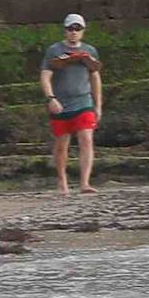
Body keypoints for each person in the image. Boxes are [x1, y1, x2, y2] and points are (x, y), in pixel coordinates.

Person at [39, 13, 103, 195]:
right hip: (61, 103)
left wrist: (98, 105)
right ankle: (63, 183)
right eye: (70, 29)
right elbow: (45, 76)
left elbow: (95, 78)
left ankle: (85, 182)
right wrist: (51, 98)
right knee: (62, 144)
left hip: (84, 101)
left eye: (77, 28)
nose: (74, 32)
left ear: (83, 31)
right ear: (65, 30)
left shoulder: (90, 51)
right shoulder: (54, 50)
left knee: (86, 139)